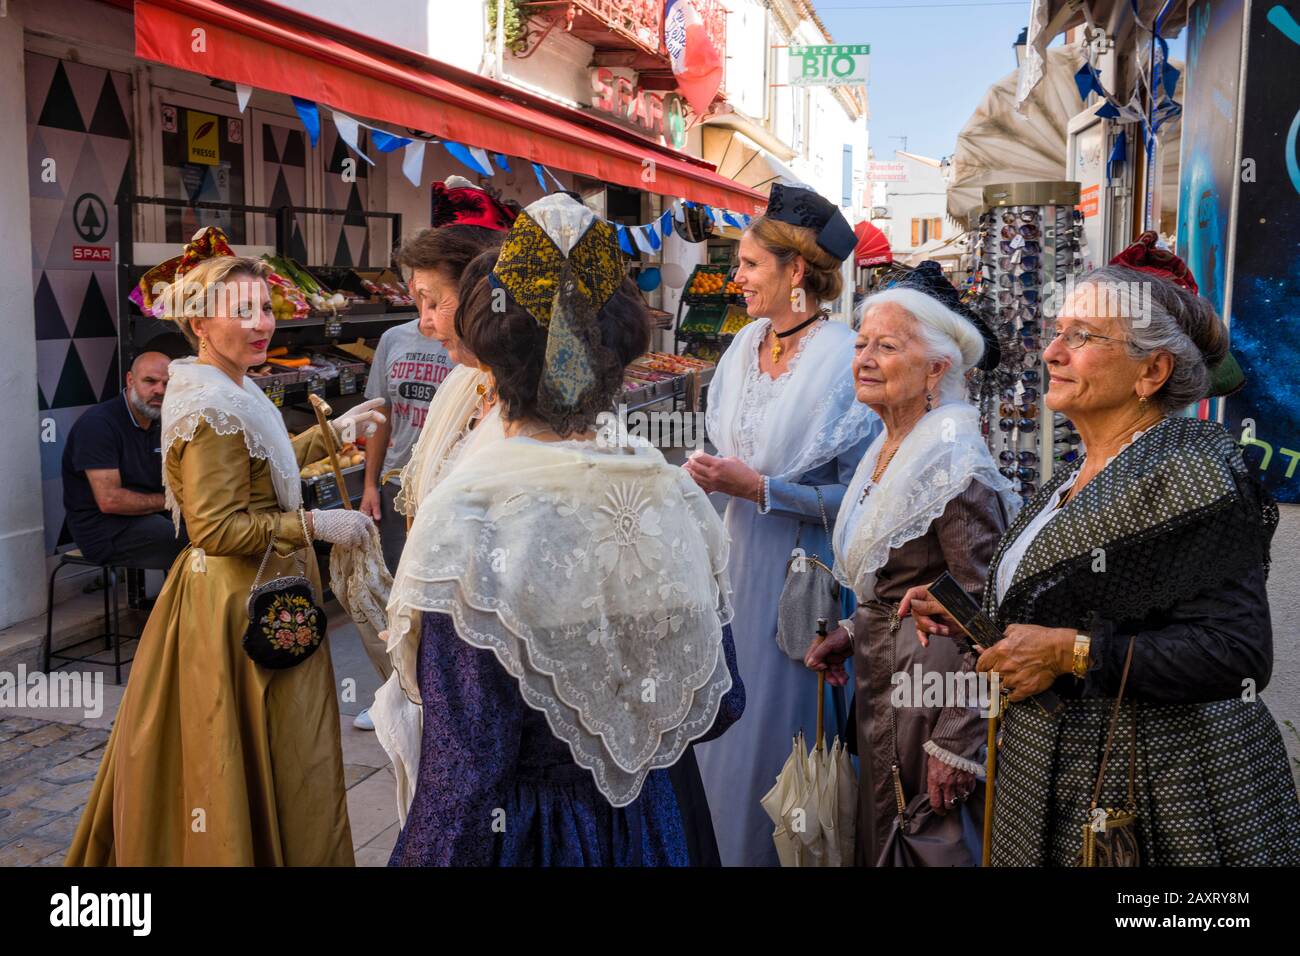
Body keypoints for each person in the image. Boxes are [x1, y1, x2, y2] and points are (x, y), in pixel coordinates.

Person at [903, 246, 1300, 865]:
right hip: (1057, 777)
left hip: (1156, 796)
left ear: (1152, 372)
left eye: (1082, 337)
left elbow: (1238, 652)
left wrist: (1070, 652)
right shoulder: (1075, 474)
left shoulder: (1192, 470)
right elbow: (1080, 600)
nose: (1051, 353)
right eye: (1057, 332)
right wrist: (976, 614)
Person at [385, 193, 743, 866]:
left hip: (531, 836)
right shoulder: (673, 498)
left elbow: (464, 777)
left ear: (489, 362)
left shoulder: (473, 517)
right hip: (654, 822)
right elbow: (722, 703)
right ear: (620, 356)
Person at [66, 255, 380, 866]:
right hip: (237, 603)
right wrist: (313, 523)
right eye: (242, 311)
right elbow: (215, 527)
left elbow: (258, 464)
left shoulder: (229, 382)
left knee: (277, 749)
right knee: (246, 751)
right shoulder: (209, 403)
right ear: (201, 325)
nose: (262, 322)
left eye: (265, 307)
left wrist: (329, 435)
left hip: (257, 588)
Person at [686, 183, 880, 866]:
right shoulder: (742, 348)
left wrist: (765, 490)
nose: (734, 278)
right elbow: (731, 453)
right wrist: (712, 481)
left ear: (795, 272)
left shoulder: (846, 359)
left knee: (780, 737)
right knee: (726, 729)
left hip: (803, 579)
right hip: (736, 563)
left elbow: (861, 495)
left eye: (748, 265)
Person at [805, 266, 1019, 865]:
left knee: (927, 839)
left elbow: (989, 608)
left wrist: (958, 740)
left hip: (931, 694)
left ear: (936, 369)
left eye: (887, 347)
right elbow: (901, 574)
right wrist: (851, 632)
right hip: (888, 680)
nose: (865, 359)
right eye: (861, 345)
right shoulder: (892, 442)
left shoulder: (950, 459)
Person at [352, 178, 515, 732]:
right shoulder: (463, 387)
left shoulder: (529, 409)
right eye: (417, 303)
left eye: (434, 303)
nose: (423, 323)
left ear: (480, 296)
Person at [61, 342, 190, 575]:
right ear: (130, 380)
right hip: (103, 530)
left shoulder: (162, 421)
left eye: (167, 384)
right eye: (150, 381)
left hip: (149, 517)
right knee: (196, 542)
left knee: (215, 530)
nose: (160, 390)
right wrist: (172, 501)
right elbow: (110, 500)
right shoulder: (98, 424)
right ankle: (184, 611)